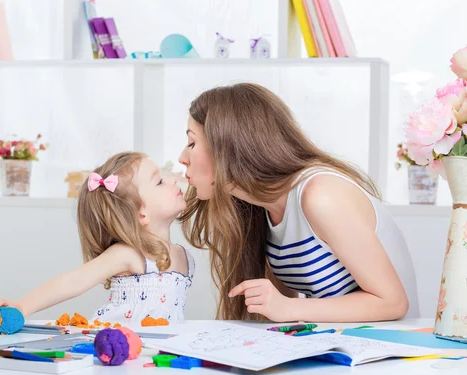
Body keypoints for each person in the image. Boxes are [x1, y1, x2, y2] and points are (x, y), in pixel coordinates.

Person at [177, 82, 418, 323]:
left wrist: (290, 308)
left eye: (192, 143)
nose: (182, 158)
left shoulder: (321, 196)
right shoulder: (261, 209)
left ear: (229, 145)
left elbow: (393, 303)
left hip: (390, 350)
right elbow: (279, 310)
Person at [0, 152, 195, 326]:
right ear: (141, 213)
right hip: (116, 356)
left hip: (159, 359)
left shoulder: (185, 258)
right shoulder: (130, 255)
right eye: (159, 181)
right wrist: (21, 306)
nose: (172, 179)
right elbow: (74, 282)